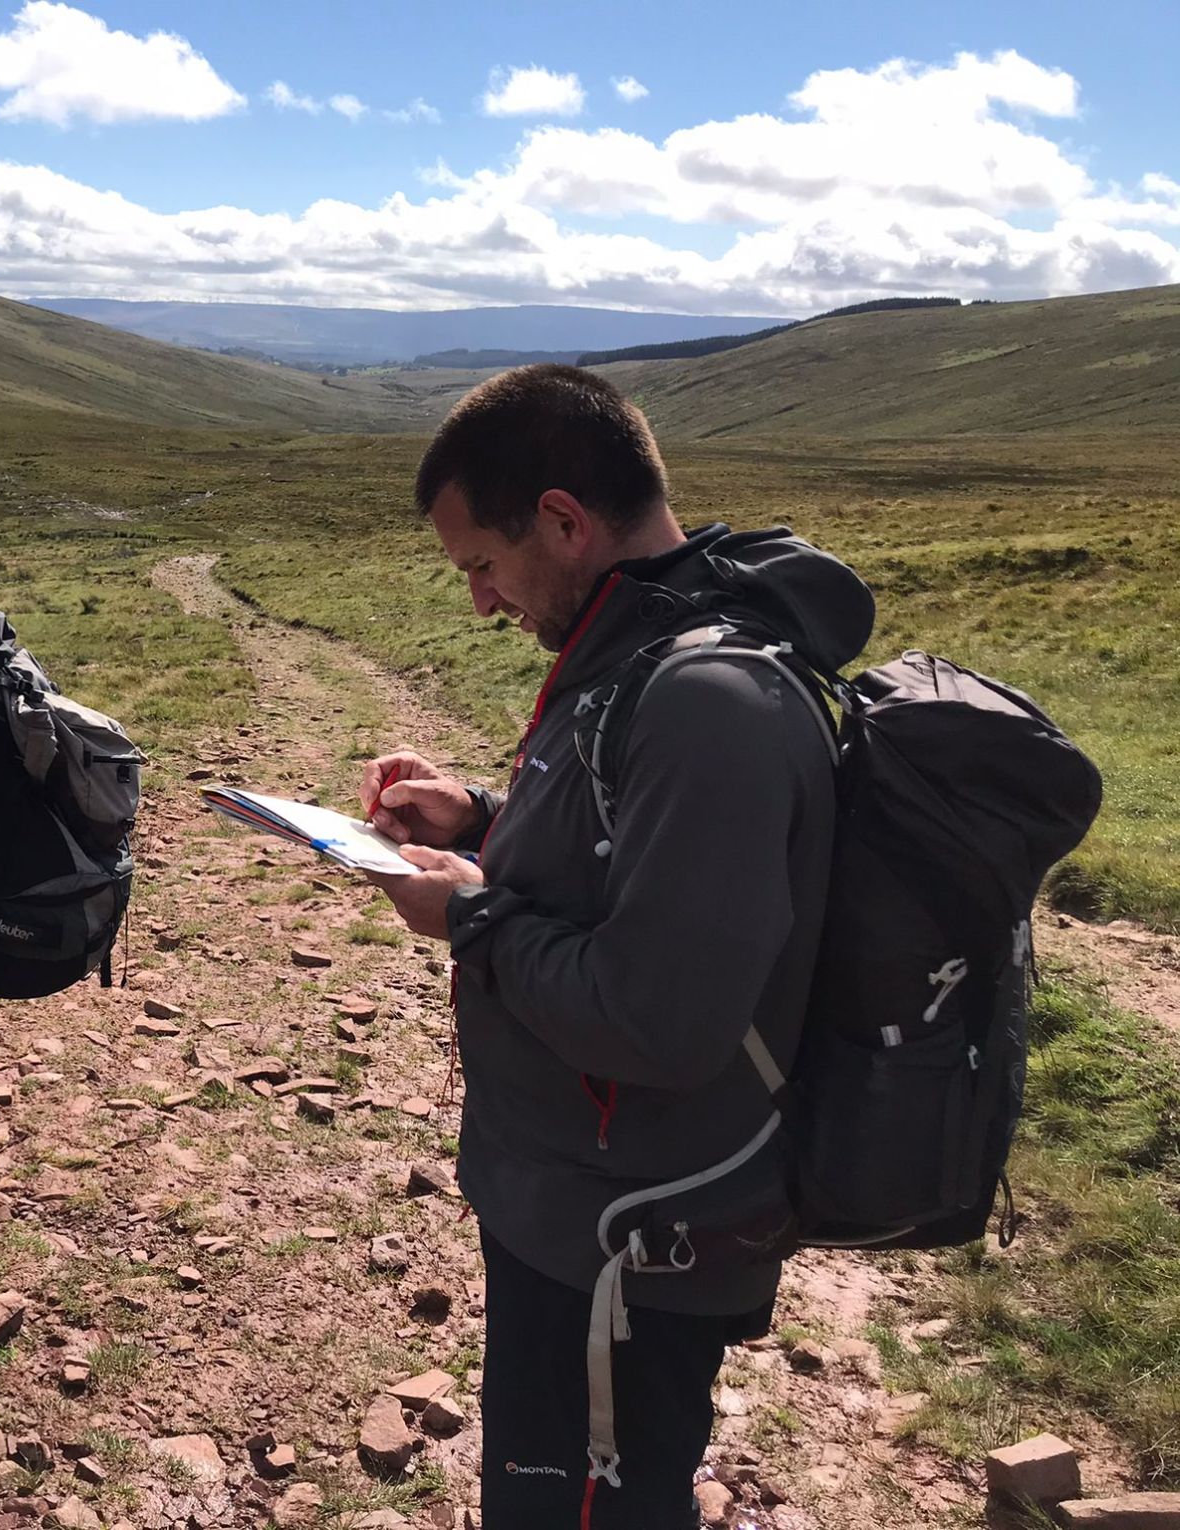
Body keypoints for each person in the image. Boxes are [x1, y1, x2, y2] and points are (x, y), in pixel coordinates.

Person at [361, 366, 875, 1528]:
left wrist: (471, 914)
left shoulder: (706, 698)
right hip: (582, 1207)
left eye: (482, 567)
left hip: (634, 1240)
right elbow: (629, 869)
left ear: (561, 519)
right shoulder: (637, 651)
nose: (482, 604)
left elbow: (659, 1017)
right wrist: (486, 823)